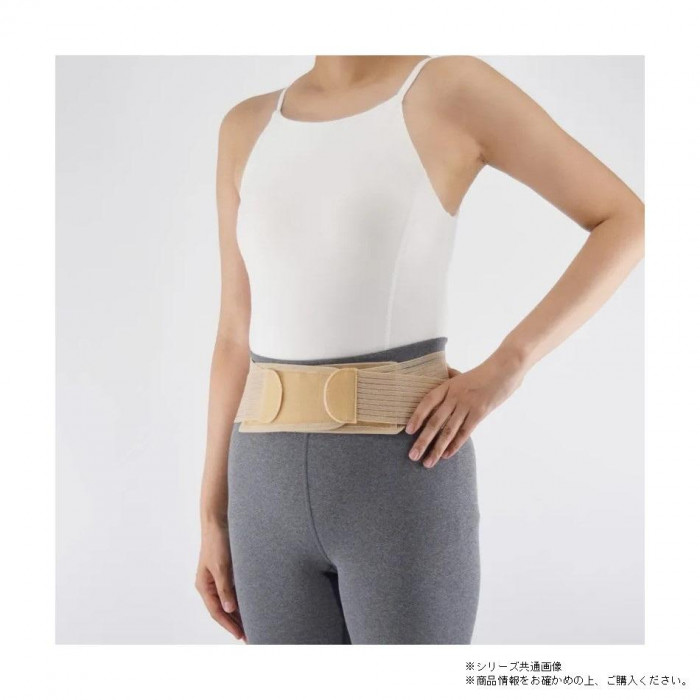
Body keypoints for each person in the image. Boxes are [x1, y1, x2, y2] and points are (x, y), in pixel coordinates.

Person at [195, 55, 644, 644]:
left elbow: (626, 219)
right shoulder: (245, 125)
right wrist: (212, 514)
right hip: (262, 493)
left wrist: (508, 366)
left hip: (402, 476)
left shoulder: (450, 87)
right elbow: (234, 334)